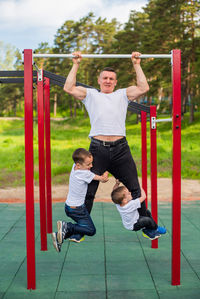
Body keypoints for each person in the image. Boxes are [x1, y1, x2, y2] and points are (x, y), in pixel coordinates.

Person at [63, 50, 149, 242]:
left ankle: (147, 225)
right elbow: (68, 88)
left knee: (135, 188)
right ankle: (80, 230)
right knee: (88, 192)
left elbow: (143, 87)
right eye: (105, 78)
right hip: (97, 150)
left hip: (120, 149)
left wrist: (136, 63)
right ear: (99, 80)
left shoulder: (122, 95)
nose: (108, 81)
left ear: (116, 82)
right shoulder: (91, 94)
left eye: (111, 78)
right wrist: (75, 64)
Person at [51, 148, 109, 252]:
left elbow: (81, 157)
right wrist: (106, 172)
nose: (91, 166)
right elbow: (102, 179)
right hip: (77, 209)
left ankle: (59, 236)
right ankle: (67, 226)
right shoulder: (84, 174)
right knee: (91, 230)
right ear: (78, 165)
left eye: (91, 163)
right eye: (88, 164)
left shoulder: (74, 167)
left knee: (83, 227)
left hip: (69, 207)